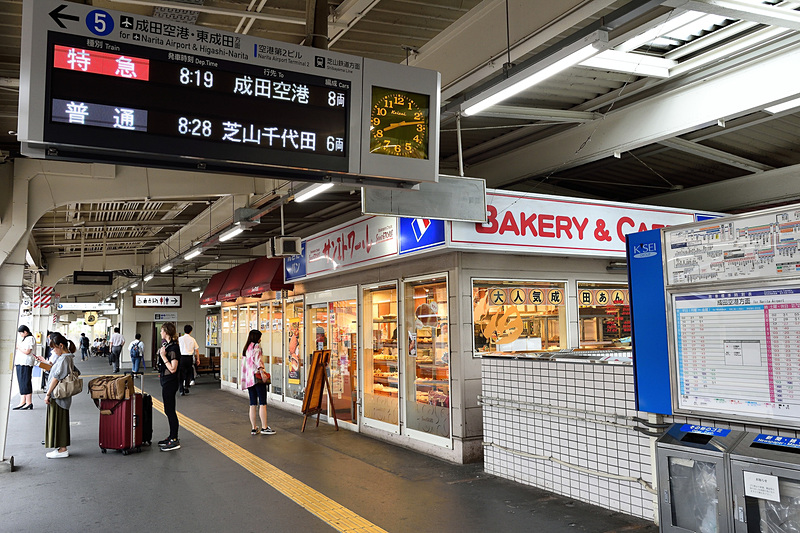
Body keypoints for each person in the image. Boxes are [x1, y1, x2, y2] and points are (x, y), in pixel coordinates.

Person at [43, 333, 77, 458]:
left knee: (58, 421)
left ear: (61, 346)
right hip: (61, 396)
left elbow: (56, 378)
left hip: (58, 396)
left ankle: (62, 449)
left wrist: (47, 394)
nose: (53, 350)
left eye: (54, 347)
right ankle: (60, 448)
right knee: (60, 420)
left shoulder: (64, 358)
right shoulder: (68, 357)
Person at [241, 329, 275, 435]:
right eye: (260, 337)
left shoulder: (246, 348)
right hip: (257, 377)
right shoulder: (256, 347)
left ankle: (254, 428)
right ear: (256, 337)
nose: (260, 339)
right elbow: (258, 361)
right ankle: (264, 427)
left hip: (249, 379)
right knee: (262, 403)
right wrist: (262, 372)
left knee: (252, 404)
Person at [157, 322, 181, 451]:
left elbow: (173, 368)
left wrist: (163, 356)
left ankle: (174, 439)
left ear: (166, 332)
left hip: (170, 381)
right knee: (168, 409)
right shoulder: (168, 346)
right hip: (166, 381)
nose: (161, 333)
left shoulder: (173, 348)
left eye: (162, 331)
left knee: (170, 410)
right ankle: (172, 436)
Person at [13, 325, 36, 410]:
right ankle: (22, 401)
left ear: (25, 332)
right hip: (20, 362)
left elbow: (27, 351)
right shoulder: (25, 339)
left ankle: (29, 402)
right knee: (21, 381)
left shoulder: (30, 338)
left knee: (26, 381)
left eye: (21, 333)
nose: (20, 334)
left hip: (26, 363)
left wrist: (19, 347)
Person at [178, 324, 199, 396]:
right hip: (189, 358)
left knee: (181, 373)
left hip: (182, 358)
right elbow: (196, 350)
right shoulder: (193, 339)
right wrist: (198, 359)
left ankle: (181, 389)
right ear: (191, 331)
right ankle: (186, 386)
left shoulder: (180, 339)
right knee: (188, 373)